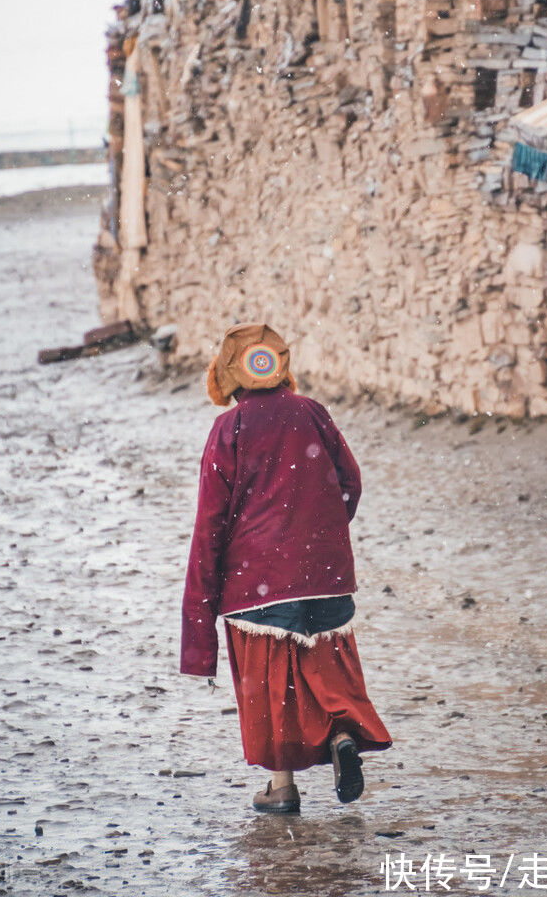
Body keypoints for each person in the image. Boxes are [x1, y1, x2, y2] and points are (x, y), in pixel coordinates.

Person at [180, 322, 391, 814]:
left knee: (272, 688)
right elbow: (350, 482)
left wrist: (199, 622)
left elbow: (210, 524)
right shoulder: (311, 413)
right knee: (326, 666)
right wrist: (319, 534)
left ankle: (282, 787)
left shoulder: (227, 430)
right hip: (324, 575)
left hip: (257, 586)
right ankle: (340, 734)